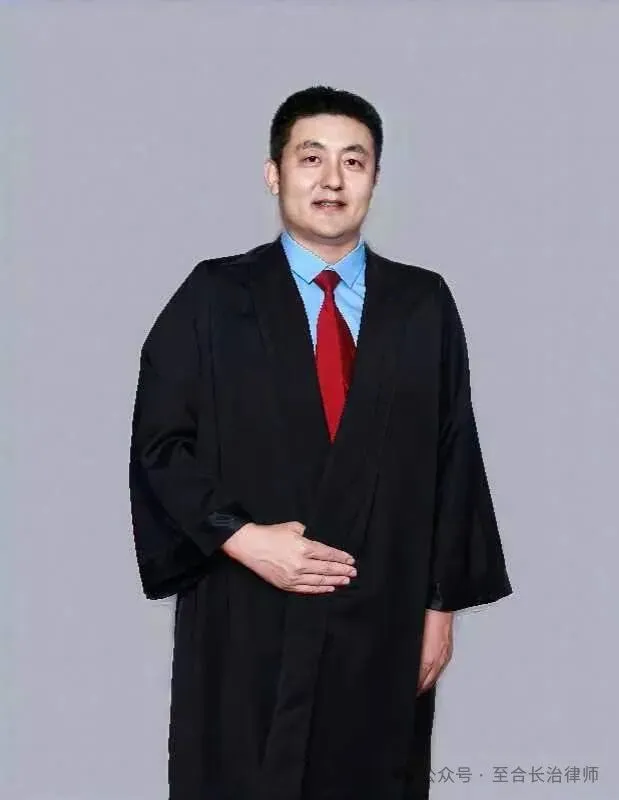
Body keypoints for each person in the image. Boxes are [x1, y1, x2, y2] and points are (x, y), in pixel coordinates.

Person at [129, 85, 512, 800]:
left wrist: (439, 609)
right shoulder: (214, 296)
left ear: (375, 177)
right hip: (246, 608)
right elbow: (160, 445)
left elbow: (453, 458)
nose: (332, 179)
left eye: (353, 161)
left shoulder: (422, 303)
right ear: (274, 173)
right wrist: (242, 538)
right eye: (311, 158)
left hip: (382, 607)